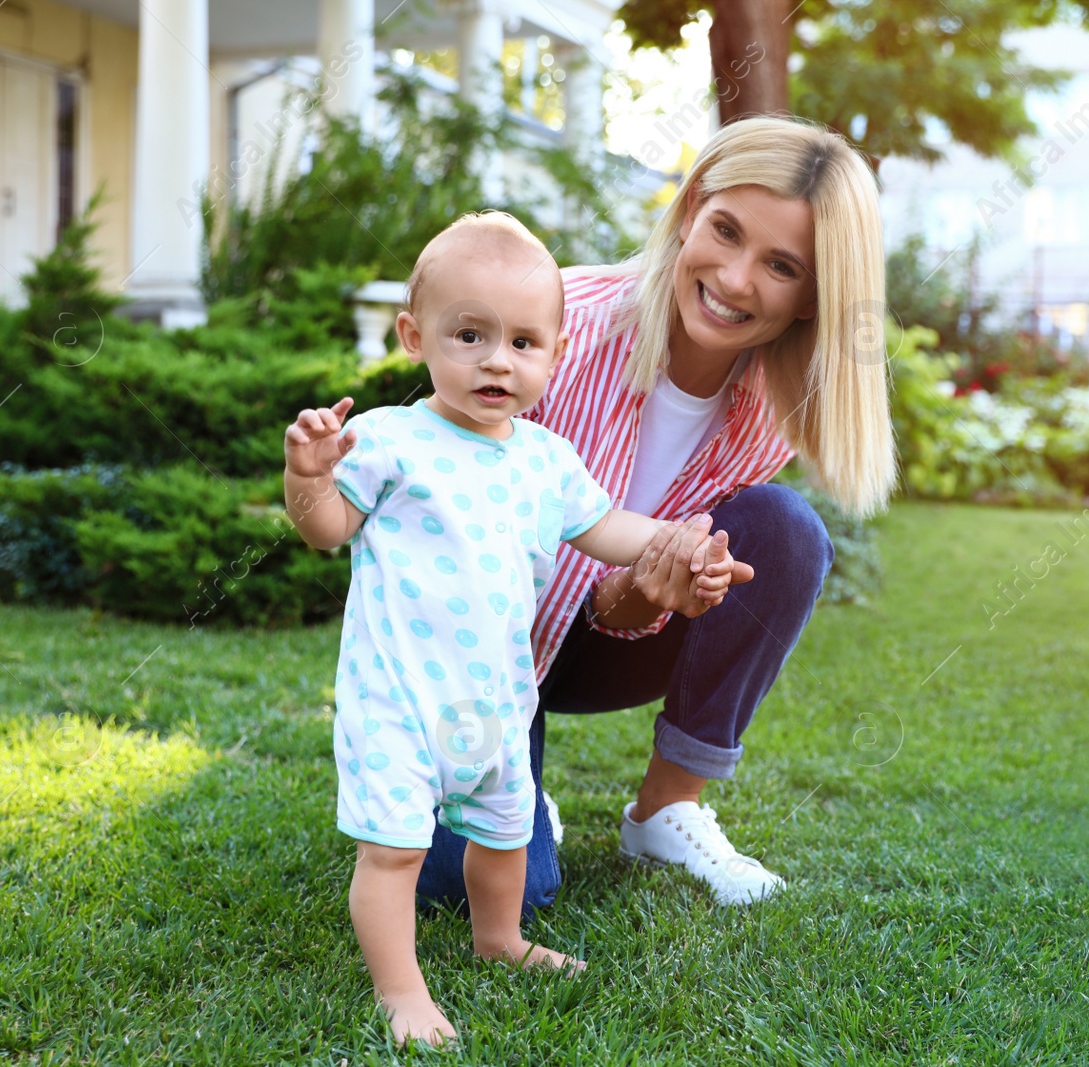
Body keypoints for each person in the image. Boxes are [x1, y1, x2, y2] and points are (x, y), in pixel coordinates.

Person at [282, 212, 746, 1046]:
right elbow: (327, 530)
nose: (498, 360)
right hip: (400, 698)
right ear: (415, 336)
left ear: (556, 354)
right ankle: (402, 992)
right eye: (470, 335)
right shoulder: (390, 440)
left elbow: (614, 531)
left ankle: (501, 940)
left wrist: (687, 547)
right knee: (393, 850)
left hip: (500, 697)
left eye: (525, 342)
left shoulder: (546, 460)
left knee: (504, 833)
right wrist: (306, 476)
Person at [415, 115, 896, 911]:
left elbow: (614, 605)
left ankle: (667, 808)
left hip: (600, 638)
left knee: (786, 531)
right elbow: (433, 521)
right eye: (727, 231)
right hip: (475, 646)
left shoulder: (768, 411)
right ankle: (521, 796)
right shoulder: (557, 328)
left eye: (780, 265)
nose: (737, 280)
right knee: (465, 892)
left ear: (815, 295)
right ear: (692, 207)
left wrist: (652, 588)